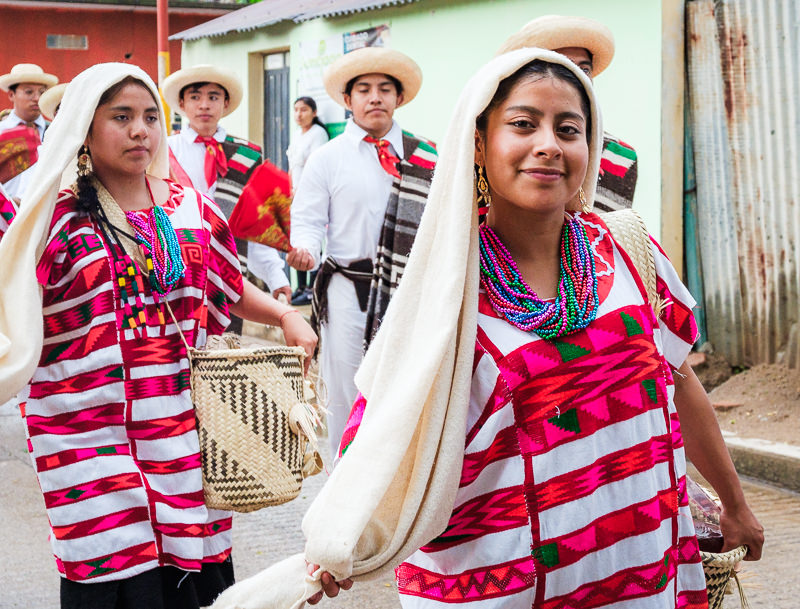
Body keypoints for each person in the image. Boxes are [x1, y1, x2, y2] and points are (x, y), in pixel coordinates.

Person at [0, 62, 316, 609]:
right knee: (114, 576)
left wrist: (285, 315)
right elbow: (14, 299)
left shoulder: (191, 208)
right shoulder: (53, 222)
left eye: (150, 117)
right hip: (86, 440)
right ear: (85, 129)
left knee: (192, 576)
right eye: (121, 117)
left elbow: (225, 282)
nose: (140, 130)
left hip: (182, 432)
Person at [287, 46, 437, 461]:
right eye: (364, 90)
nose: (375, 98)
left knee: (407, 390)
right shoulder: (327, 159)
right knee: (348, 391)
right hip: (347, 291)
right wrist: (305, 251)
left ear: (399, 97)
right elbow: (308, 220)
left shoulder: (427, 157)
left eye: (385, 89)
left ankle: (398, 482)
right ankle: (345, 481)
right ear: (347, 100)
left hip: (410, 292)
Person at [163, 64, 291, 328]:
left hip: (230, 276)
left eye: (213, 97)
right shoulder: (163, 150)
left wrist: (276, 277)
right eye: (195, 97)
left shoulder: (248, 155)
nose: (204, 105)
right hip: (176, 272)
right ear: (182, 104)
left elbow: (256, 228)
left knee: (226, 349)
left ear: (226, 103)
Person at [497, 15, 639, 212]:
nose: (577, 78)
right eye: (562, 66)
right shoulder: (491, 145)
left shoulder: (620, 156)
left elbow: (611, 225)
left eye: (584, 69)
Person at [286, 96, 328, 306]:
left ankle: (312, 288)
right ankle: (300, 287)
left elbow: (316, 167)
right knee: (297, 239)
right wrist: (290, 189)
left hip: (311, 194)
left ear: (314, 112)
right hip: (295, 194)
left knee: (312, 240)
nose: (299, 114)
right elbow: (292, 166)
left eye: (304, 110)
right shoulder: (296, 134)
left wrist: (302, 191)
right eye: (296, 110)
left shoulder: (318, 134)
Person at [0, 63, 59, 199]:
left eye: (41, 92)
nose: (37, 98)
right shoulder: (1, 131)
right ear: (11, 95)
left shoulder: (54, 132)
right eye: (28, 92)